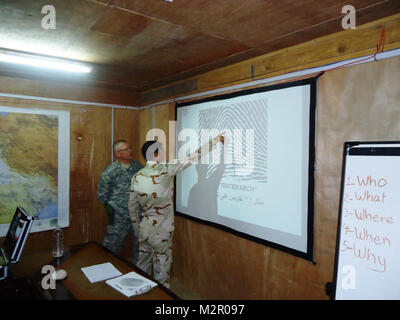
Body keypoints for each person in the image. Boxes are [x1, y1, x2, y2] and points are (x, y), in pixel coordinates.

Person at [128, 134, 224, 287]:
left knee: (142, 270)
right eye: (163, 151)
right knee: (162, 273)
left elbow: (132, 208)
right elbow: (193, 156)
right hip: (161, 232)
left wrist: (137, 230)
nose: (165, 154)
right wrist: (216, 141)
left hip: (144, 230)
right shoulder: (165, 169)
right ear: (155, 154)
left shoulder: (136, 176)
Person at [97, 139, 143, 264]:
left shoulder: (138, 167)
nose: (130, 151)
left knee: (140, 248)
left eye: (130, 148)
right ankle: (105, 273)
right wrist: (115, 208)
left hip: (138, 215)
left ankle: (138, 274)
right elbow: (102, 196)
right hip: (119, 216)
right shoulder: (110, 172)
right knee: (111, 246)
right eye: (126, 149)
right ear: (117, 154)